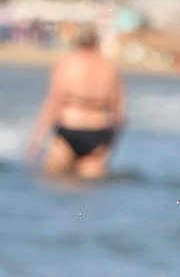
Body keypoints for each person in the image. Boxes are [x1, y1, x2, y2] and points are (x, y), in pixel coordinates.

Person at [26, 25, 125, 179]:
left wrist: (37, 138)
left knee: (54, 181)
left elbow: (54, 101)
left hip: (69, 126)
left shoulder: (67, 63)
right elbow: (119, 109)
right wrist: (111, 141)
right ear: (96, 42)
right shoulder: (110, 67)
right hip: (99, 129)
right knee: (90, 192)